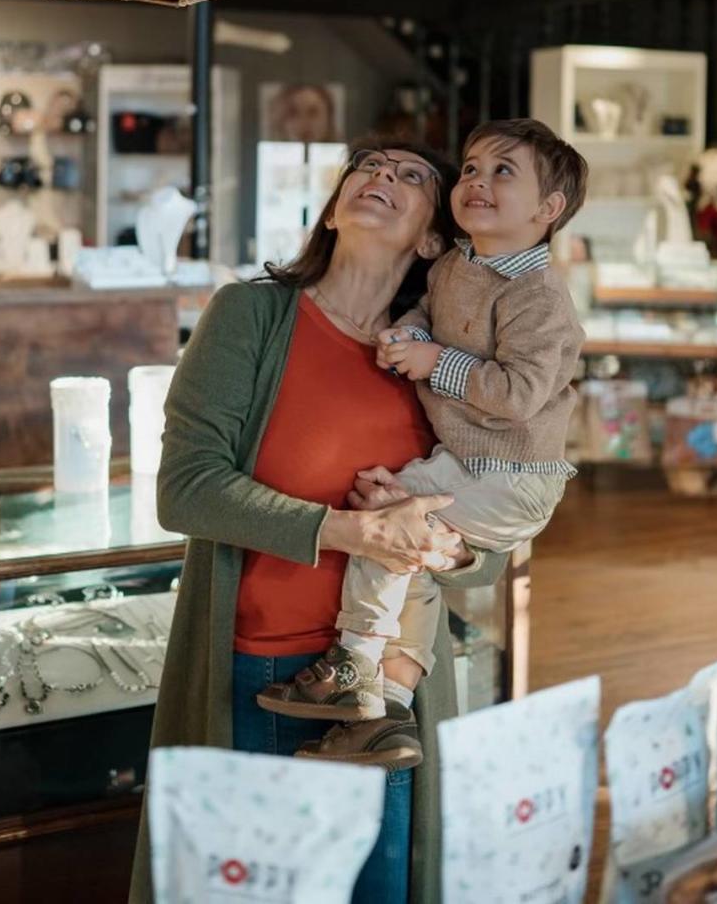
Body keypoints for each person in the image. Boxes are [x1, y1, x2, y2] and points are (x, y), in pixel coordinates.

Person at [128, 139, 508, 904]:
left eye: (410, 176)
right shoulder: (252, 315)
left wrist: (447, 544)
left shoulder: (449, 361)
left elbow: (496, 542)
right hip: (262, 673)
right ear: (333, 208)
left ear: (434, 237)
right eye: (367, 168)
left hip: (386, 693)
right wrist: (351, 531)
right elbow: (186, 488)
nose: (381, 178)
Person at [257, 119, 588, 766]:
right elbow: (428, 317)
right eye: (469, 168)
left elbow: (520, 394)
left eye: (502, 172)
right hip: (466, 466)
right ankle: (390, 709)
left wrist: (433, 361)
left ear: (548, 210)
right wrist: (408, 336)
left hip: (509, 472)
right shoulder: (457, 267)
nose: (478, 182)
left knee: (394, 527)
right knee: (402, 544)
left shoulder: (539, 297)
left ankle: (354, 665)